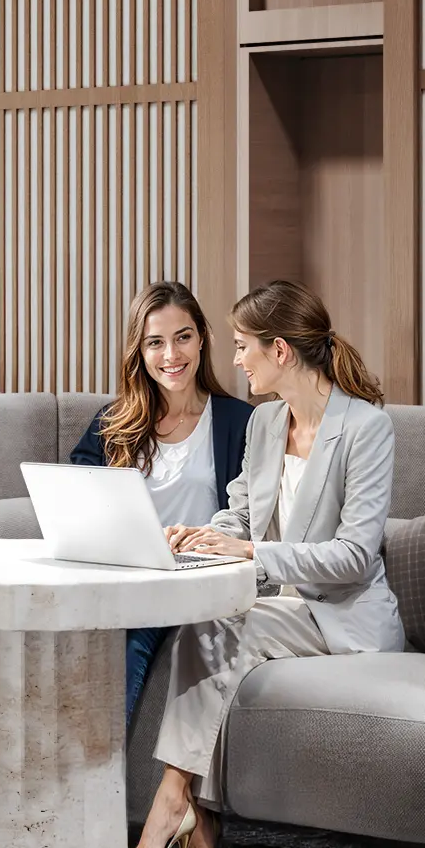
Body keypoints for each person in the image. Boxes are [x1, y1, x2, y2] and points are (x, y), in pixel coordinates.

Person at [116, 278, 404, 848]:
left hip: (340, 616)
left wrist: (249, 551)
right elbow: (240, 516)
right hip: (278, 605)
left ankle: (174, 805)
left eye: (244, 346)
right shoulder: (266, 423)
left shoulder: (367, 429)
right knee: (213, 622)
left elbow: (354, 556)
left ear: (280, 350)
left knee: (222, 623)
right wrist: (205, 535)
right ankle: (194, 829)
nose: (235, 358)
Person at [71, 280, 252, 725]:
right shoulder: (113, 423)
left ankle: (94, 773)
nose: (171, 355)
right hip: (124, 576)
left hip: (193, 582)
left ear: (202, 338)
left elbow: (255, 516)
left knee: (132, 633)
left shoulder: (239, 421)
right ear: (140, 351)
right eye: (156, 342)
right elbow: (75, 501)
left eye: (182, 337)